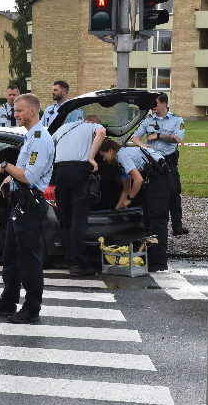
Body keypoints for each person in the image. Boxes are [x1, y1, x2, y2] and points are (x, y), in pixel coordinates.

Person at [0, 93, 55, 324]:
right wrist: (10, 180)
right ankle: (8, 301)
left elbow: (30, 175)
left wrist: (5, 167)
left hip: (31, 206)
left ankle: (32, 308)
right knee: (11, 257)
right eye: (15, 110)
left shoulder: (40, 139)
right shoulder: (31, 137)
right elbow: (23, 172)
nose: (15, 114)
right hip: (21, 203)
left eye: (19, 111)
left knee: (29, 259)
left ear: (32, 111)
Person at [98, 140, 172, 272]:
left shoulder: (122, 155)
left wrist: (130, 199)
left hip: (160, 179)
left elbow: (138, 180)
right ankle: (152, 258)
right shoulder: (121, 163)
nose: (103, 159)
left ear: (111, 151)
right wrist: (116, 212)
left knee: (157, 220)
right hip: (155, 179)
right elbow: (125, 190)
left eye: (103, 155)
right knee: (148, 218)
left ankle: (159, 262)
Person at [52, 114, 106, 277]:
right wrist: (91, 157)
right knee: (78, 220)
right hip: (78, 171)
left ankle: (69, 258)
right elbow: (102, 132)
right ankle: (78, 263)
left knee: (65, 219)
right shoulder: (92, 127)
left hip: (60, 171)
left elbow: (50, 142)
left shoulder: (64, 128)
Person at [131, 93, 189, 236]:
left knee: (174, 192)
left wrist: (158, 136)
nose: (153, 107)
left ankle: (177, 226)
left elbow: (177, 139)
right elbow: (135, 136)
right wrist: (142, 145)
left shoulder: (177, 120)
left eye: (155, 104)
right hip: (151, 162)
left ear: (164, 103)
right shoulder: (148, 120)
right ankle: (148, 226)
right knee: (149, 193)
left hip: (168, 161)